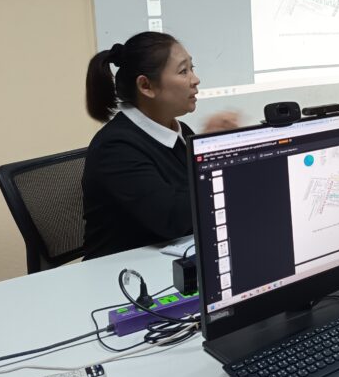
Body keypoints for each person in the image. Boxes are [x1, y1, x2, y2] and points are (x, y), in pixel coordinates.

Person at [82, 32, 238, 259]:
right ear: (146, 86)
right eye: (183, 71)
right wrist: (213, 156)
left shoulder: (180, 131)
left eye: (192, 68)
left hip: (171, 257)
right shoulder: (115, 148)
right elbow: (173, 219)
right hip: (123, 271)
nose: (195, 79)